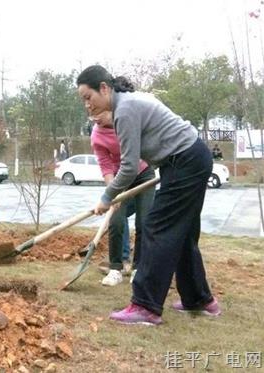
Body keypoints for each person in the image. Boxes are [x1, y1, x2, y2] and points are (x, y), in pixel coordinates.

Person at [77, 65, 220, 325]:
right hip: (189, 158)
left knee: (156, 227)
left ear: (104, 88)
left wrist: (107, 197)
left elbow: (130, 166)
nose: (87, 105)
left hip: (184, 160)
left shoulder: (125, 110)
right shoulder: (130, 103)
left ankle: (145, 306)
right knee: (182, 231)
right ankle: (199, 299)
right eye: (83, 101)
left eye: (88, 97)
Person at [90, 110, 155, 286]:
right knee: (116, 221)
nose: (95, 117)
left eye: (98, 113)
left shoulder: (126, 120)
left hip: (143, 174)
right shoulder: (97, 135)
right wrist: (112, 193)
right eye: (91, 115)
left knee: (144, 222)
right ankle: (115, 269)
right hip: (121, 178)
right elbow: (105, 165)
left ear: (109, 110)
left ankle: (138, 269)